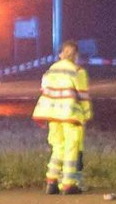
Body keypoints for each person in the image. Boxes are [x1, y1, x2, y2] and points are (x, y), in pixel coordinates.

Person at [33, 41, 91, 194]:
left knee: (58, 147)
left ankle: (51, 181)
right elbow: (83, 96)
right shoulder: (77, 71)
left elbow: (44, 89)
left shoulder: (51, 70)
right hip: (70, 114)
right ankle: (68, 184)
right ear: (76, 56)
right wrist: (86, 114)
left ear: (60, 54)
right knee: (71, 147)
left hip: (52, 114)